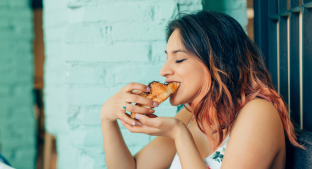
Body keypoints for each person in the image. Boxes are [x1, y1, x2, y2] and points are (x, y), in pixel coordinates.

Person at [100, 10, 304, 169]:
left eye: (179, 59)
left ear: (217, 61)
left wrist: (179, 134)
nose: (163, 70)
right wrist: (107, 119)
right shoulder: (190, 117)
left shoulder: (258, 113)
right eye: (166, 57)